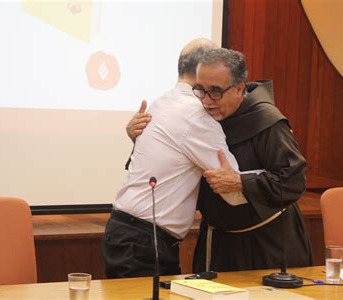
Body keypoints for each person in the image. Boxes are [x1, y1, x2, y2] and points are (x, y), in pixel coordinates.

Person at [127, 48, 313, 273]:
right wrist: (139, 137)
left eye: (216, 92)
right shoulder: (199, 117)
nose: (206, 101)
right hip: (218, 242)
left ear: (239, 88)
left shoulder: (267, 122)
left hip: (268, 244)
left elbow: (292, 181)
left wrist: (241, 183)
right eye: (200, 90)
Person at [103, 39, 246, 279]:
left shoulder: (160, 103)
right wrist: (269, 179)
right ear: (203, 70)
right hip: (145, 243)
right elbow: (233, 192)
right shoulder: (196, 116)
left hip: (126, 233)